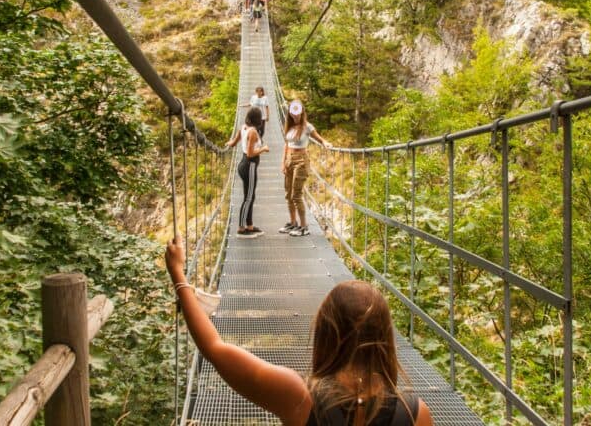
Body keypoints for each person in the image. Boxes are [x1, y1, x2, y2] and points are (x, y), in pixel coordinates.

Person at [165, 237, 434, 425]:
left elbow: (215, 348)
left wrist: (178, 274)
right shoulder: (415, 414)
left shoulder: (298, 397)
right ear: (385, 339)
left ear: (326, 331)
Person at [279, 99, 330, 237]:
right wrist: (283, 163)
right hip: (289, 160)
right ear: (290, 113)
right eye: (293, 113)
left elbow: (319, 138)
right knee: (288, 194)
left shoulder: (307, 126)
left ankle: (304, 227)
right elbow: (286, 145)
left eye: (298, 113)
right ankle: (293, 222)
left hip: (301, 160)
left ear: (302, 113)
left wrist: (324, 142)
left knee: (296, 194)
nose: (295, 116)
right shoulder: (289, 126)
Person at [227, 106, 269, 237]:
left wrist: (227, 144)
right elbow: (251, 153)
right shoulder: (253, 132)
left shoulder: (243, 127)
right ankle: (241, 228)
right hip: (249, 165)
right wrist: (263, 149)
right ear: (258, 119)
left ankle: (249, 226)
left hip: (243, 165)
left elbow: (233, 143)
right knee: (248, 198)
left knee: (250, 196)